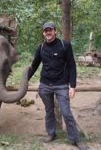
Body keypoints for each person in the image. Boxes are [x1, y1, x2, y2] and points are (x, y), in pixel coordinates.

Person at [28, 22, 87, 150]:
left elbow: (72, 65)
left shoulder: (64, 45)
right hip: (45, 85)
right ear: (43, 33)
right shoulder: (41, 47)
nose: (48, 33)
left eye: (50, 30)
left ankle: (75, 139)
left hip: (61, 85)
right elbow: (34, 66)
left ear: (55, 31)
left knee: (66, 112)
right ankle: (51, 133)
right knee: (49, 111)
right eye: (45, 31)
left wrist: (73, 86)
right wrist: (25, 80)